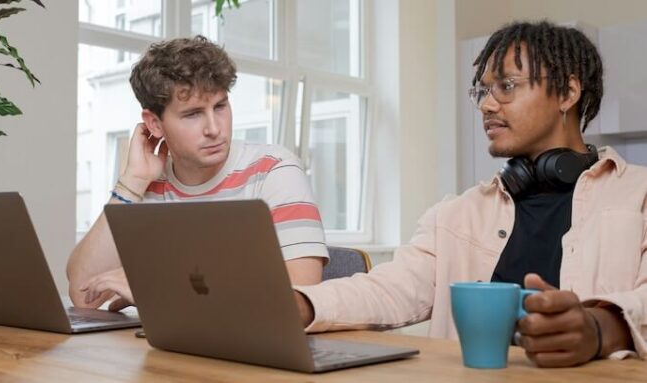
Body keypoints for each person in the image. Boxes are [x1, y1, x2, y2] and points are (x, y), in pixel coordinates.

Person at [293, 20, 645, 368]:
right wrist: (300, 304)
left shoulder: (639, 196)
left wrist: (602, 328)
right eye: (482, 91)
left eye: (506, 86)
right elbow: (387, 289)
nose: (486, 105)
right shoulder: (454, 215)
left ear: (568, 93)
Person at [68, 36, 328, 311]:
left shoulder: (274, 170)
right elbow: (83, 294)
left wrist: (161, 291)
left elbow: (301, 298)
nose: (214, 128)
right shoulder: (147, 183)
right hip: (169, 344)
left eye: (220, 106)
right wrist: (131, 182)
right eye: (193, 114)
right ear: (154, 123)